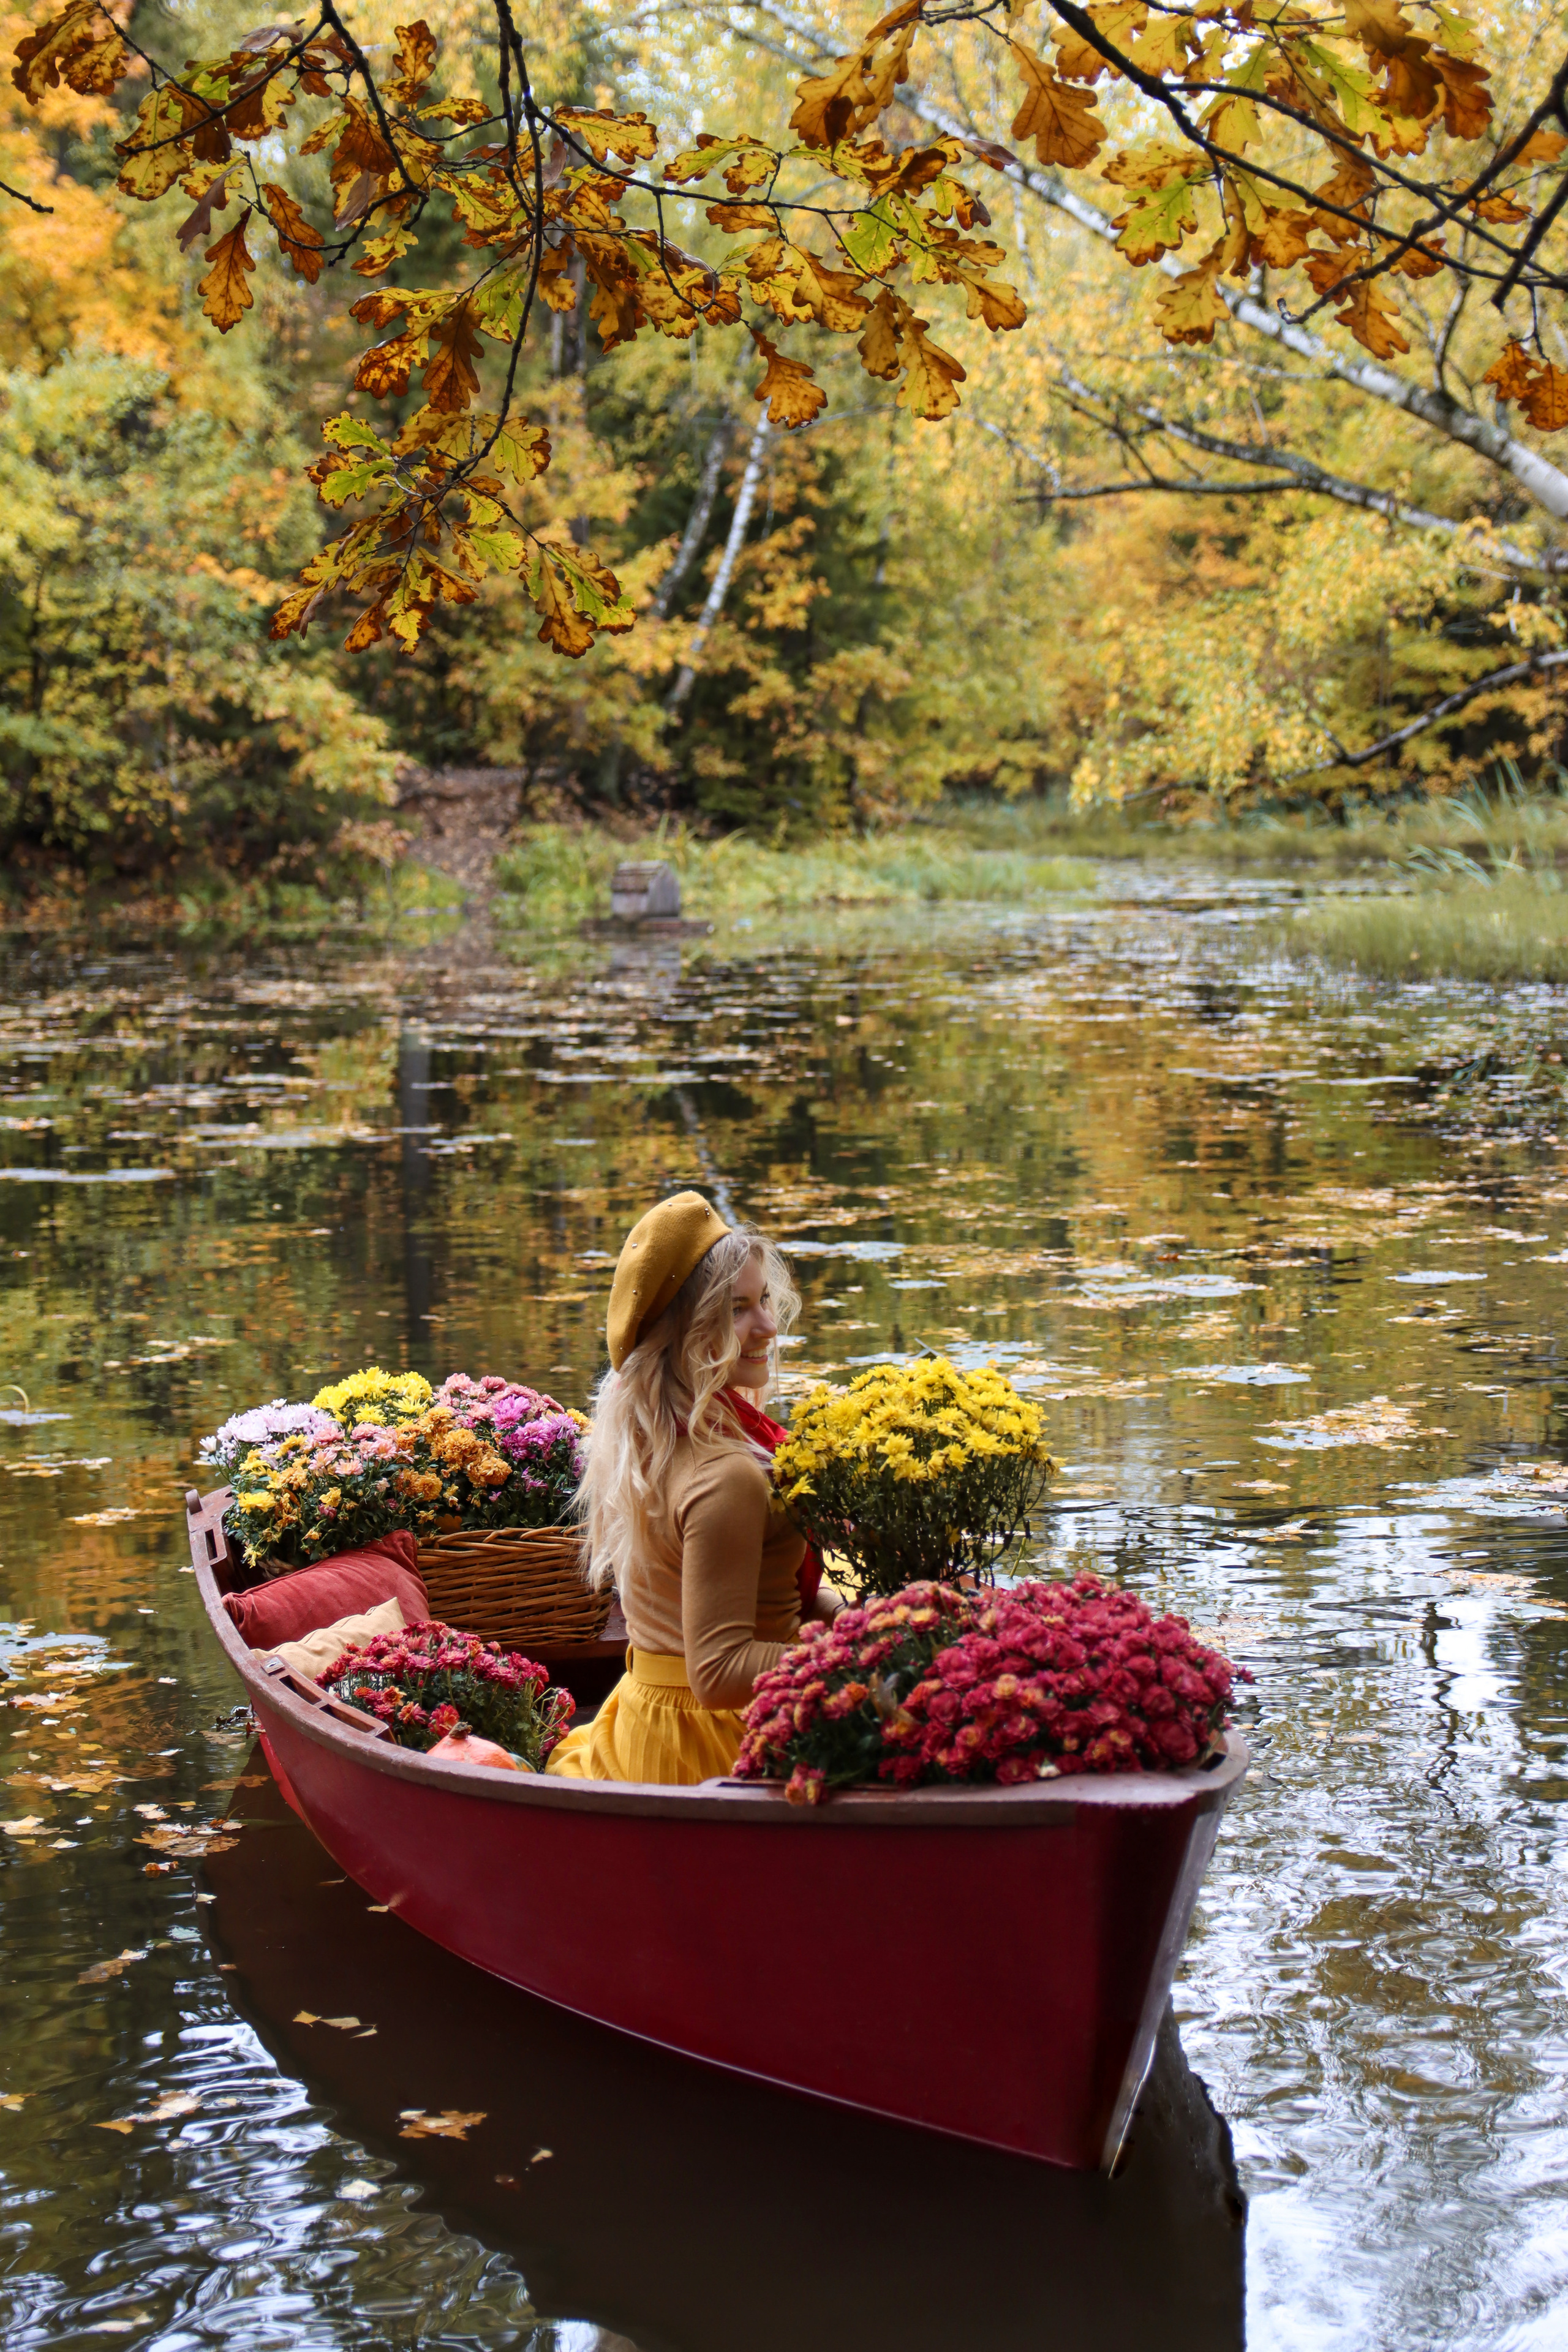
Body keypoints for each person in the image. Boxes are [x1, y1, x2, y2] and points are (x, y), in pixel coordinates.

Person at [546, 1191, 840, 1784]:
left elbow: (767, 1599)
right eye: (737, 1310)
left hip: (649, 1718)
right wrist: (854, 1661)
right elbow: (720, 1667)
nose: (766, 1325)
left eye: (763, 1301)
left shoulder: (659, 1437)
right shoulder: (727, 1476)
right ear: (684, 1332)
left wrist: (855, 1615)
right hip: (715, 1743)